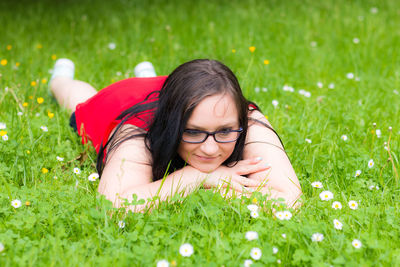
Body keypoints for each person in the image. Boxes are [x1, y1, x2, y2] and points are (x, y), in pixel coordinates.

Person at [50, 58, 302, 211]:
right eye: (192, 132)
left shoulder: (246, 121)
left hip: (182, 94)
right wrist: (196, 177)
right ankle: (60, 78)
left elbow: (289, 199)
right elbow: (113, 206)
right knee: (77, 100)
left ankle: (149, 74)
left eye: (224, 131)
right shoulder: (137, 132)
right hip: (123, 102)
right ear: (171, 125)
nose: (211, 149)